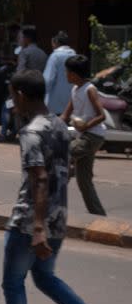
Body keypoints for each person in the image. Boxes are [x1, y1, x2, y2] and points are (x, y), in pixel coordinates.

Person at [0, 70, 108, 304]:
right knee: (43, 276)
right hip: (58, 217)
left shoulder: (31, 131)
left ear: (22, 96)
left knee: (12, 282)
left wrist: (37, 228)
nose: (13, 103)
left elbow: (39, 178)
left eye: (14, 96)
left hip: (30, 220)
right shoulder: (59, 126)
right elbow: (66, 170)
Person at [61, 55, 108, 216]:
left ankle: (53, 199)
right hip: (83, 136)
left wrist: (85, 125)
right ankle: (99, 216)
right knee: (84, 182)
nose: (65, 74)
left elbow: (102, 115)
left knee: (62, 154)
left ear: (74, 74)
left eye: (67, 72)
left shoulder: (89, 89)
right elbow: (65, 115)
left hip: (92, 136)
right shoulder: (75, 89)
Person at [43, 31, 77, 115]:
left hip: (55, 105)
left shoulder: (55, 56)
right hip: (71, 104)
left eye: (52, 43)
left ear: (56, 42)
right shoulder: (74, 55)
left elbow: (47, 80)